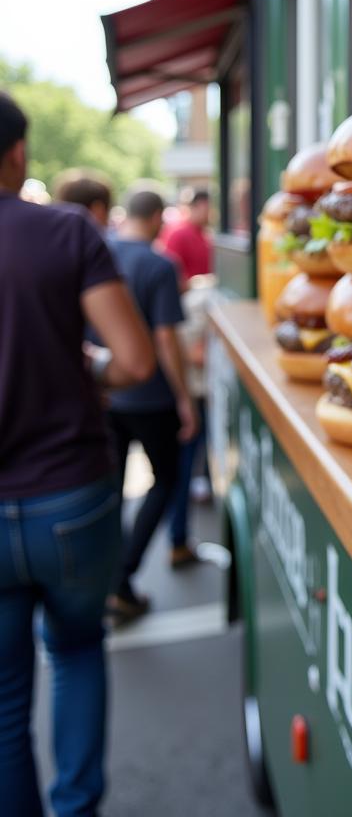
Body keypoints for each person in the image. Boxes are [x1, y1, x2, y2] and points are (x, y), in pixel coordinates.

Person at [0, 92, 154, 817]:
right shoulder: (65, 232)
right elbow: (133, 361)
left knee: (3, 702)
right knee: (76, 651)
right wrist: (87, 369)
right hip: (71, 495)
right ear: (18, 152)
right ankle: (77, 808)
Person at [101, 189, 197, 619]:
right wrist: (183, 397)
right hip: (151, 395)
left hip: (106, 390)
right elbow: (164, 338)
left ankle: (108, 579)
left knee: (112, 489)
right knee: (166, 480)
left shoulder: (99, 253)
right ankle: (122, 578)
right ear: (157, 216)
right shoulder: (158, 264)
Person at [167, 273, 216, 567]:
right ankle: (178, 537)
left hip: (191, 394)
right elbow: (197, 355)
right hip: (197, 396)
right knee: (184, 468)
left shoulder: (189, 302)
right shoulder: (197, 305)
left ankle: (178, 536)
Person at [160, 186, 212, 280]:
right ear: (196, 206)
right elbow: (172, 273)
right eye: (207, 208)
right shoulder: (178, 233)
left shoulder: (204, 233)